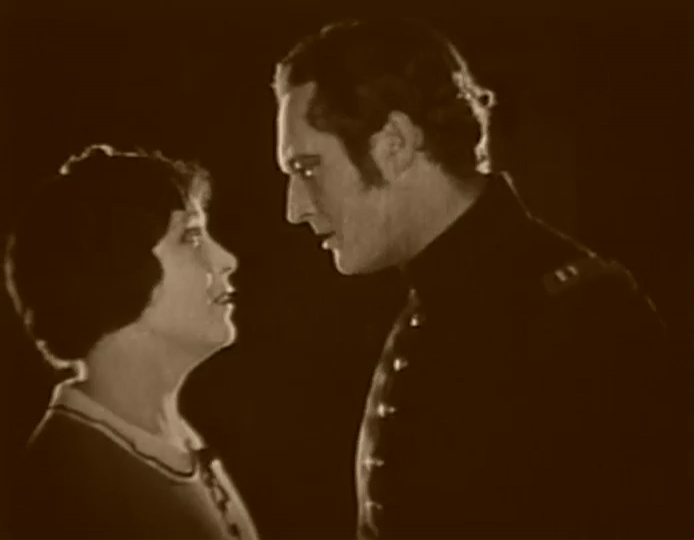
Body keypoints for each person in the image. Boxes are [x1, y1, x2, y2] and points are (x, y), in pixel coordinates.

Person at [274, 19, 690, 540]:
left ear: (395, 144)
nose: (294, 209)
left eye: (307, 168)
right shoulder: (434, 306)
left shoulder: (576, 315)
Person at [5, 145, 260, 540]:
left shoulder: (176, 440)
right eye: (190, 237)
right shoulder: (67, 487)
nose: (226, 259)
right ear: (117, 269)